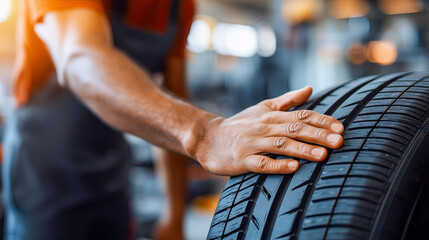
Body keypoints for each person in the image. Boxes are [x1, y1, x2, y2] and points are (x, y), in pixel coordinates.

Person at [3, 0, 344, 240]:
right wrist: (206, 132)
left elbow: (173, 99)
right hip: (44, 170)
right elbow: (79, 58)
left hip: (109, 164)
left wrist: (175, 214)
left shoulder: (178, 7)